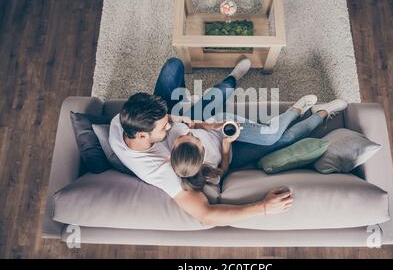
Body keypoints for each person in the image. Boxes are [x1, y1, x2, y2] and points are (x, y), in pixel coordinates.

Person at [109, 57, 294, 227]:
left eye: (166, 122)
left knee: (174, 65)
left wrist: (178, 119)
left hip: (186, 127)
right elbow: (206, 215)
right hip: (192, 136)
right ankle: (230, 81)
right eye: (164, 127)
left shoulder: (121, 122)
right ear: (142, 136)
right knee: (223, 95)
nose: (168, 126)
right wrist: (264, 207)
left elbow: (172, 122)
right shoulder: (160, 171)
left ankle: (229, 79)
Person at [168, 99, 348, 192]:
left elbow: (196, 125)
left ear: (175, 146)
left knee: (270, 136)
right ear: (201, 158)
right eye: (196, 139)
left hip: (221, 125)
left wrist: (215, 126)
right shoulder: (202, 174)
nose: (189, 134)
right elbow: (222, 171)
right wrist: (226, 146)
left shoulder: (177, 134)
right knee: (286, 139)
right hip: (230, 149)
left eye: (188, 136)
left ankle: (295, 110)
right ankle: (322, 113)